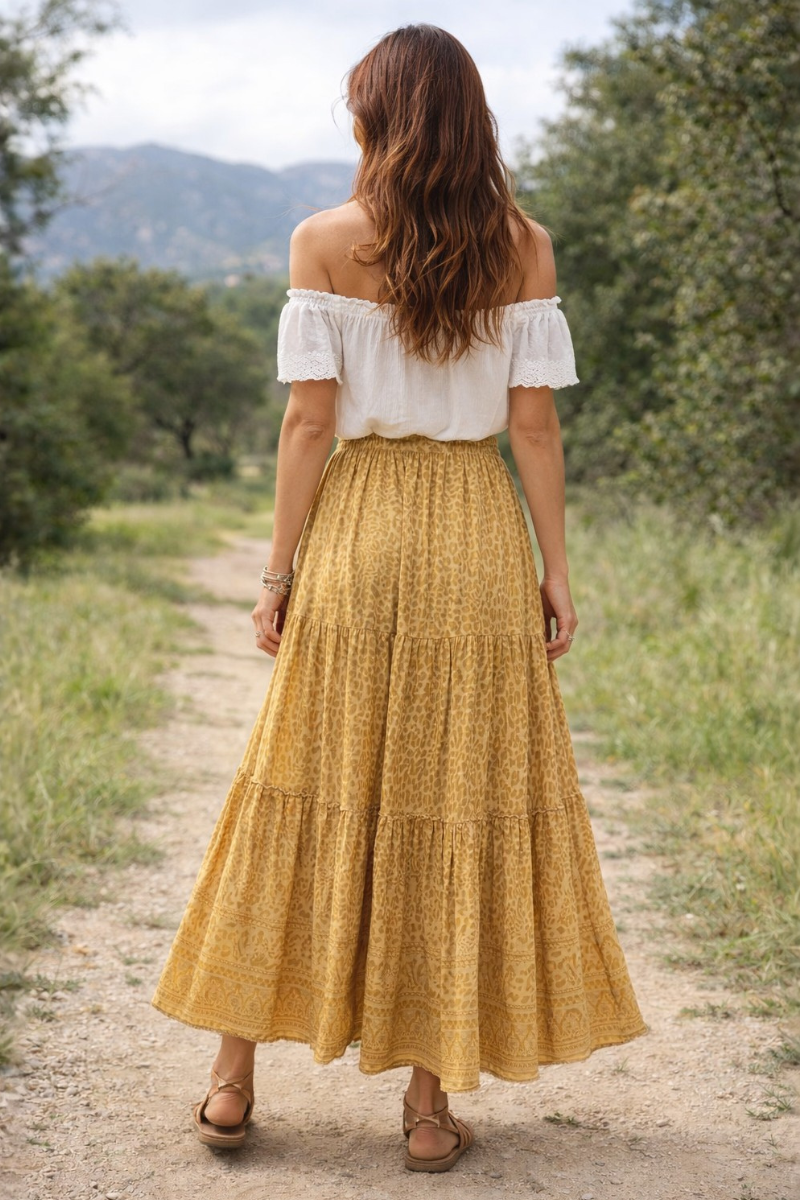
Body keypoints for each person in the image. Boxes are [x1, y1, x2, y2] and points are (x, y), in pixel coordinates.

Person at [151, 23, 649, 1174]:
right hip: (475, 535)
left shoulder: (322, 240)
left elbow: (310, 423)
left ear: (376, 117)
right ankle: (427, 1113)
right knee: (452, 800)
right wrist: (553, 569)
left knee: (298, 783)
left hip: (362, 530)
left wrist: (278, 574)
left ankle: (231, 1086)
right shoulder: (523, 247)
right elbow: (532, 426)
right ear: (471, 117)